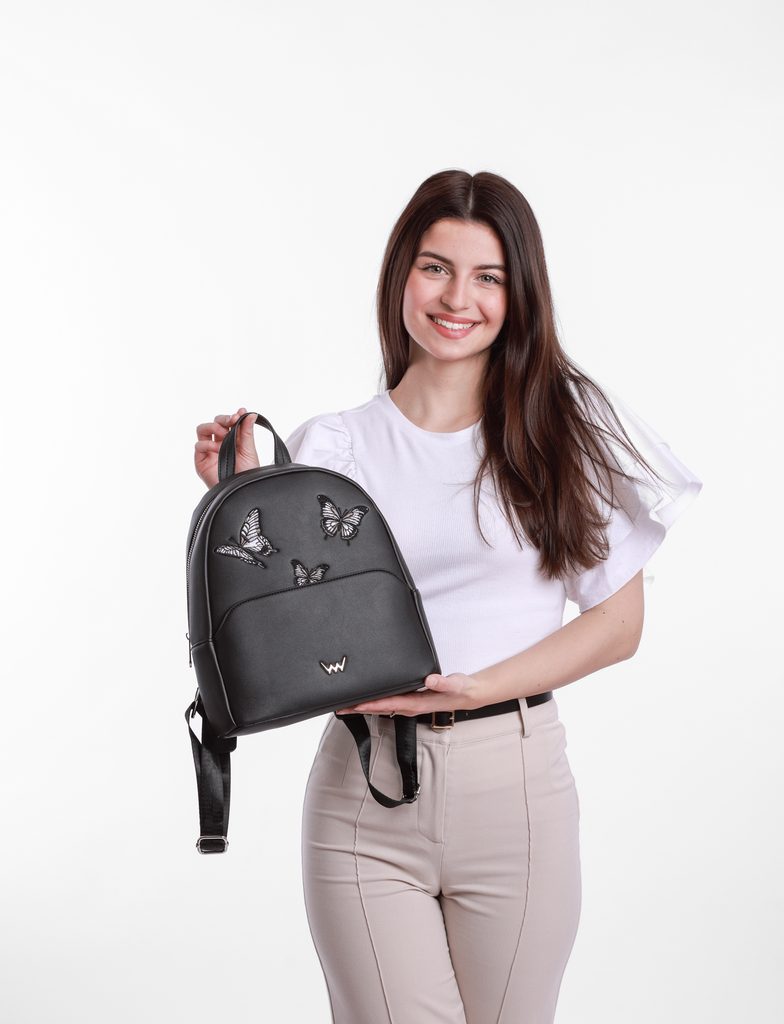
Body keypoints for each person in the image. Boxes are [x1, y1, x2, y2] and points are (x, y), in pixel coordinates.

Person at [193, 169, 703, 1024]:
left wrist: (476, 687)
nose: (457, 298)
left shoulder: (559, 431)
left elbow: (619, 625)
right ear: (401, 274)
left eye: (487, 276)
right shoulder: (332, 447)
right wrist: (239, 501)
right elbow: (290, 631)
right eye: (435, 268)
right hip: (364, 790)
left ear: (519, 294)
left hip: (516, 786)